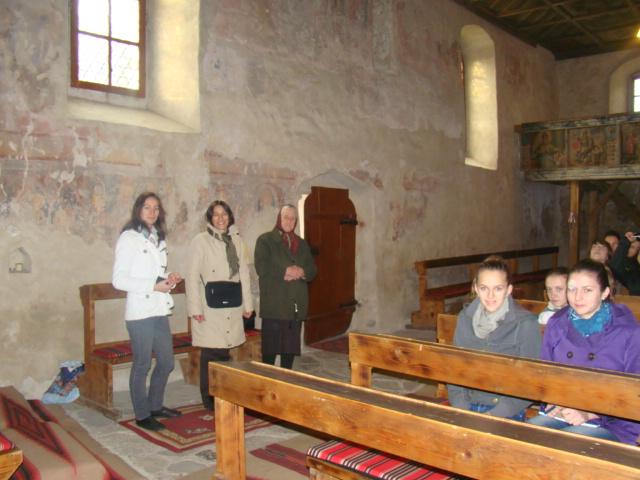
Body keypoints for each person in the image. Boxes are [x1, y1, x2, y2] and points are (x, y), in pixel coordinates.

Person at [527, 259, 640, 444]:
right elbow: (547, 373)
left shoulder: (628, 331)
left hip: (614, 420)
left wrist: (589, 412)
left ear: (604, 292)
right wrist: (555, 399)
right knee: (529, 433)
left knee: (571, 442)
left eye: (587, 290)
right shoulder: (557, 323)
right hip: (565, 409)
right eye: (572, 289)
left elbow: (634, 391)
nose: (577, 297)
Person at [112, 192, 182, 431]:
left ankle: (155, 405)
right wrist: (153, 285)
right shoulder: (129, 238)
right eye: (147, 207)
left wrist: (168, 277)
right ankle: (142, 415)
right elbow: (119, 280)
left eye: (156, 208)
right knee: (142, 364)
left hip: (159, 307)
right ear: (138, 210)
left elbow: (155, 273)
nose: (152, 212)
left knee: (167, 361)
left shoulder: (157, 238)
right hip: (140, 311)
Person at [448, 256, 541, 419]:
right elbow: (455, 368)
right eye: (484, 288)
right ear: (476, 288)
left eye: (498, 288)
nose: (490, 295)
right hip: (467, 405)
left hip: (504, 409)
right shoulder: (465, 318)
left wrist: (494, 415)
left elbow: (529, 381)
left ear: (508, 289)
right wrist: (462, 408)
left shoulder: (525, 324)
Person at [186, 200, 254, 411]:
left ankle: (223, 393)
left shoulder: (237, 241)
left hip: (232, 303)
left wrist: (248, 305)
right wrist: (195, 309)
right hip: (209, 305)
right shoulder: (200, 241)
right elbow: (192, 276)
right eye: (216, 214)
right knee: (211, 352)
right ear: (210, 218)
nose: (220, 218)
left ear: (230, 217)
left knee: (225, 351)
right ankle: (209, 399)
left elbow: (244, 274)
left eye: (224, 214)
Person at [254, 205, 317, 369]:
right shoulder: (265, 240)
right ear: (279, 219)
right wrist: (286, 271)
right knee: (269, 353)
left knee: (289, 352)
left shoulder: (302, 244)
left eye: (293, 218)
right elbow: (262, 267)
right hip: (274, 305)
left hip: (295, 306)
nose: (289, 221)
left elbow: (312, 270)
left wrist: (302, 272)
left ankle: (286, 378)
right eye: (286, 217)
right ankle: (267, 379)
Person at [608, 231, 640, 295]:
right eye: (630, 246)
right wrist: (626, 242)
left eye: (633, 248)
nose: (629, 249)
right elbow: (615, 267)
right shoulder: (633, 271)